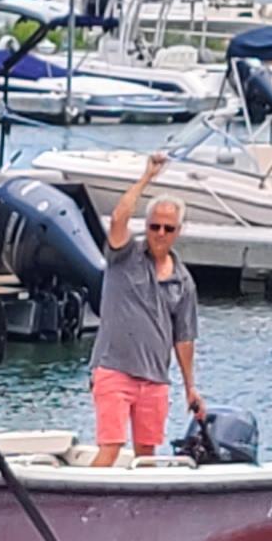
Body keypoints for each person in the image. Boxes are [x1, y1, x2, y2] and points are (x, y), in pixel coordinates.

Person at [91, 156, 203, 467]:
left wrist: (191, 386)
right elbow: (117, 219)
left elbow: (184, 337)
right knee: (110, 447)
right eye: (154, 226)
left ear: (178, 231)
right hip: (114, 369)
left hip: (155, 378)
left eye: (168, 228)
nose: (160, 233)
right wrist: (146, 177)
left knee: (147, 455)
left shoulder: (184, 280)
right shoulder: (124, 256)